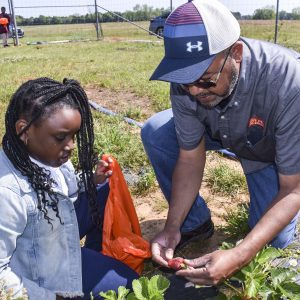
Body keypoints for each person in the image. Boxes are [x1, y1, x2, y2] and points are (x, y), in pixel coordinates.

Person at [141, 0, 300, 286]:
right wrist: (172, 226)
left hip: (270, 152)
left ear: (235, 54)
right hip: (221, 129)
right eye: (183, 82)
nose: (192, 90)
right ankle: (194, 223)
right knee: (156, 132)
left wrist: (239, 254)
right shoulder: (190, 81)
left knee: (271, 242)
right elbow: (190, 158)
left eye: (205, 80)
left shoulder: (289, 83)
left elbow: (293, 189)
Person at [0, 77, 138, 300]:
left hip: (56, 247)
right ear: (24, 130)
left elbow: (67, 192)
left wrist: (92, 181)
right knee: (123, 289)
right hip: (37, 279)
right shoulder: (7, 192)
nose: (71, 146)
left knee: (129, 283)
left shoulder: (52, 158)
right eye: (61, 137)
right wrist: (49, 297)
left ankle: (92, 252)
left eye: (74, 136)